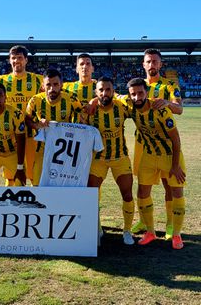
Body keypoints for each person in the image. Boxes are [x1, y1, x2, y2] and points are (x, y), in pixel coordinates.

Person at [127, 78, 186, 250]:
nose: (137, 97)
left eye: (140, 93)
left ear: (146, 93)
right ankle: (150, 232)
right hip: (149, 155)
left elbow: (176, 140)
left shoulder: (160, 110)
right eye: (133, 94)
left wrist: (175, 166)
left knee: (176, 191)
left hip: (170, 156)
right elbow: (115, 97)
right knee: (142, 192)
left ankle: (176, 234)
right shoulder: (130, 106)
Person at [87, 77, 134, 245]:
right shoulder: (89, 110)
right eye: (101, 90)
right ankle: (97, 229)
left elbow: (136, 103)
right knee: (91, 196)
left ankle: (127, 231)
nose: (104, 93)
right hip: (98, 159)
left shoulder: (122, 107)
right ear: (96, 92)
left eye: (108, 89)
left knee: (127, 194)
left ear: (113, 91)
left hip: (120, 158)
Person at [0, 45, 43, 183]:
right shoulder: (0, 80)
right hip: (10, 137)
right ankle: (10, 204)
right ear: (9, 60)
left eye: (20, 58)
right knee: (11, 176)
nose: (16, 61)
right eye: (13, 58)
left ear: (26, 60)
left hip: (32, 135)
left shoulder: (38, 79)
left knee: (34, 175)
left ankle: (35, 202)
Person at [25, 68, 83, 185]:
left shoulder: (71, 99)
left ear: (61, 84)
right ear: (42, 86)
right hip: (42, 149)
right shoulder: (35, 100)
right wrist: (36, 124)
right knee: (37, 183)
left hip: (65, 150)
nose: (52, 89)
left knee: (62, 183)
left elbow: (81, 117)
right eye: (48, 85)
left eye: (55, 84)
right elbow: (27, 119)